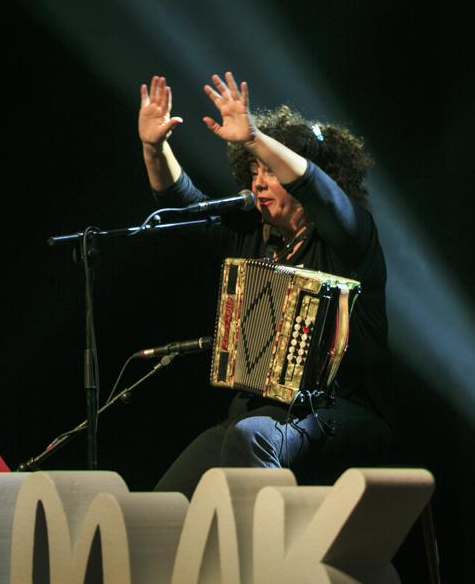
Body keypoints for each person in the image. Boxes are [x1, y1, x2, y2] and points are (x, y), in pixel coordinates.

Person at [139, 72, 394, 497]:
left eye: (270, 171)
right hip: (260, 415)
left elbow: (319, 190)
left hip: (343, 411)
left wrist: (255, 138)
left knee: (250, 436)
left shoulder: (349, 235)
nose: (258, 182)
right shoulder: (250, 234)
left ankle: (267, 543)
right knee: (170, 497)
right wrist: (154, 148)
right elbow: (183, 206)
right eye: (253, 170)